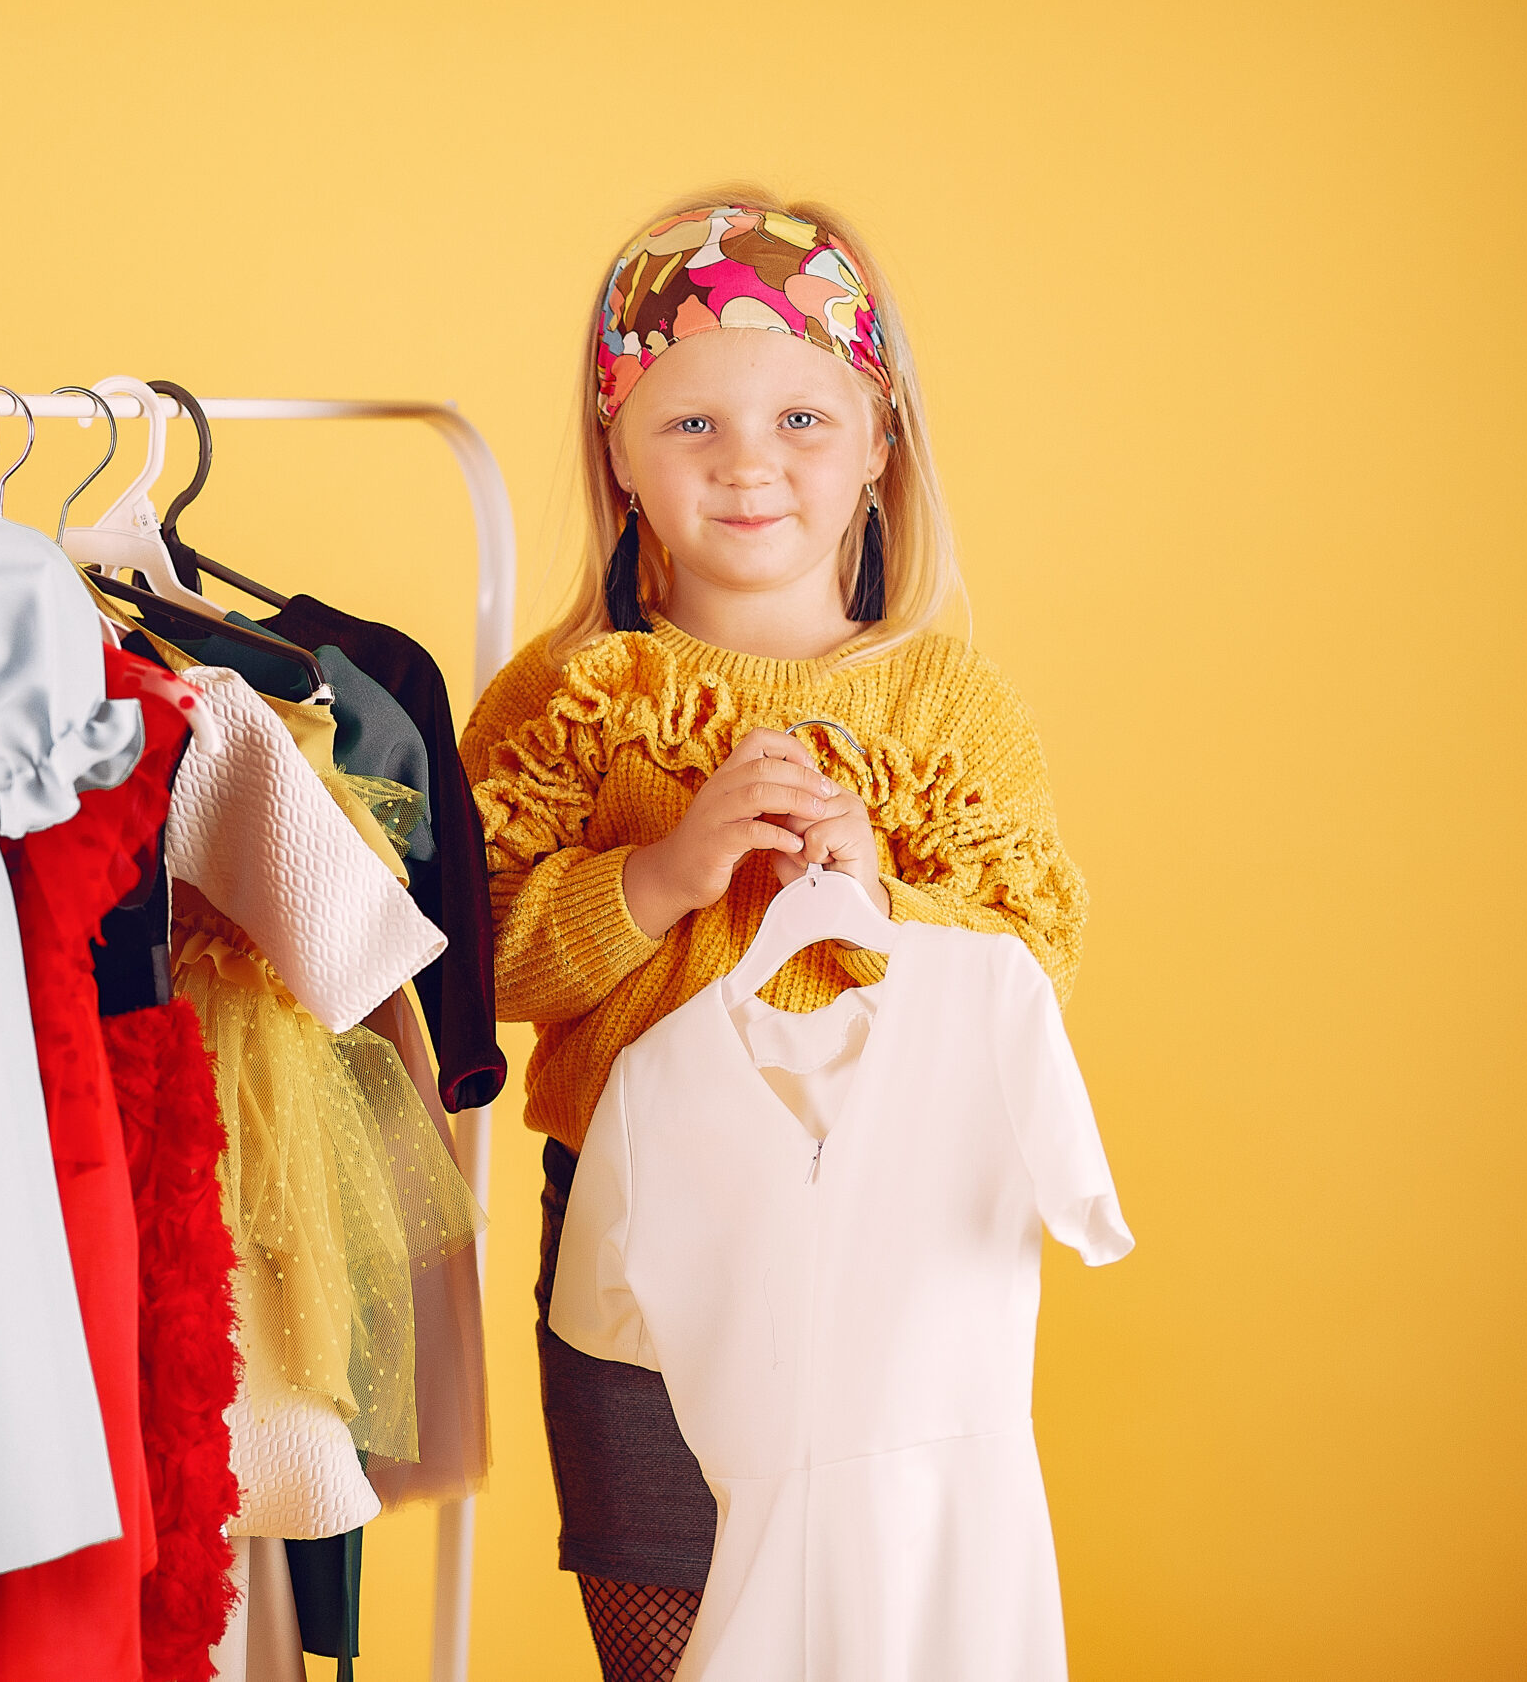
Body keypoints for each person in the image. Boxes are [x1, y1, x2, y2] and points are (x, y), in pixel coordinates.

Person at [464, 187, 1090, 1682]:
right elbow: (472, 966)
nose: (751, 466)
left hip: (889, 1234)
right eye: (693, 426)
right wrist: (664, 873)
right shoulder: (570, 703)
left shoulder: (948, 709)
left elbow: (1031, 952)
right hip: (636, 1230)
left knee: (876, 1609)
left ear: (879, 447)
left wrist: (877, 894)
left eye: (804, 420)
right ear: (616, 451)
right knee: (666, 1624)